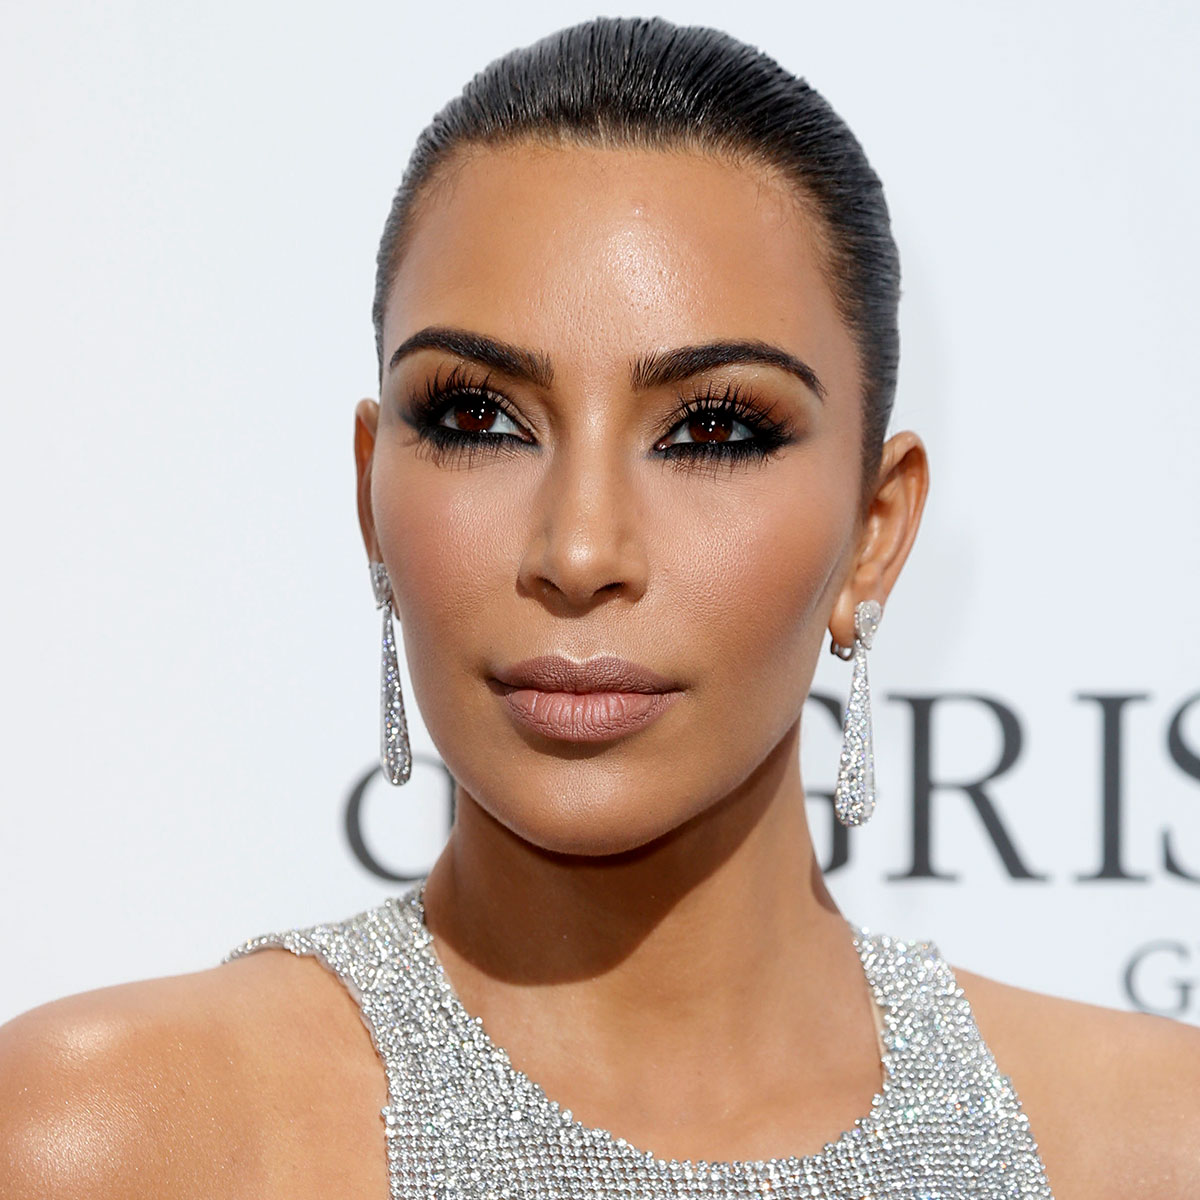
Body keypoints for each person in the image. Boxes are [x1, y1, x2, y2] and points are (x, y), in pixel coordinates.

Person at [2, 15, 1197, 1198]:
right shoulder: (115, 1142)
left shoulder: (1154, 1146)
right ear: (371, 496)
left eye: (712, 431)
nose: (578, 552)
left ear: (873, 533)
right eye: (477, 419)